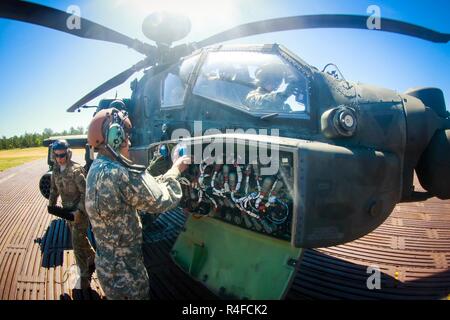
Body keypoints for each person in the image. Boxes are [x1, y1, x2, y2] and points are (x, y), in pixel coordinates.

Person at [85, 108, 190, 300]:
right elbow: (161, 199)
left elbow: (141, 190)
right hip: (127, 274)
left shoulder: (97, 168)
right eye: (127, 135)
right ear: (115, 137)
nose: (130, 141)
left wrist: (161, 170)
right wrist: (176, 168)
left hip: (107, 267)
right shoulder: (121, 173)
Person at [48, 139, 96, 290]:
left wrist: (79, 211)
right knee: (80, 239)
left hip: (79, 213)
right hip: (67, 213)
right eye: (57, 156)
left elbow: (86, 193)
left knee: (76, 244)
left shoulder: (76, 170)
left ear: (68, 153)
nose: (60, 158)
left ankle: (84, 277)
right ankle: (93, 257)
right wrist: (51, 204)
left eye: (62, 155)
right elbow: (54, 190)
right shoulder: (55, 170)